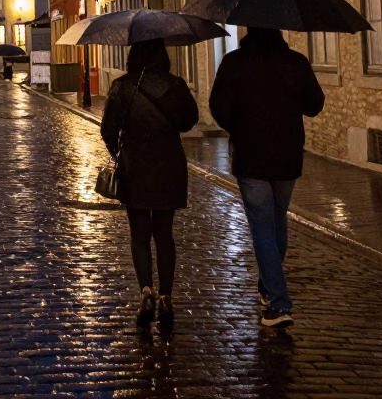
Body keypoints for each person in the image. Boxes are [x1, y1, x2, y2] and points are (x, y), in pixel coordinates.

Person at [209, 26, 325, 330]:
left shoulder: (235, 62)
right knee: (276, 218)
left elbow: (218, 107)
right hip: (287, 155)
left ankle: (278, 302)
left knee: (263, 226)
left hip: (251, 155)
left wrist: (238, 128)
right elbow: (314, 105)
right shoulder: (296, 62)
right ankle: (267, 286)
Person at [100, 39, 199, 331]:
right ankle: (166, 296)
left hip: (136, 167)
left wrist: (119, 152)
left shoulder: (122, 87)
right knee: (164, 234)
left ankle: (146, 293)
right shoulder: (176, 85)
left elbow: (108, 130)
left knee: (140, 234)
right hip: (169, 165)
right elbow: (189, 121)